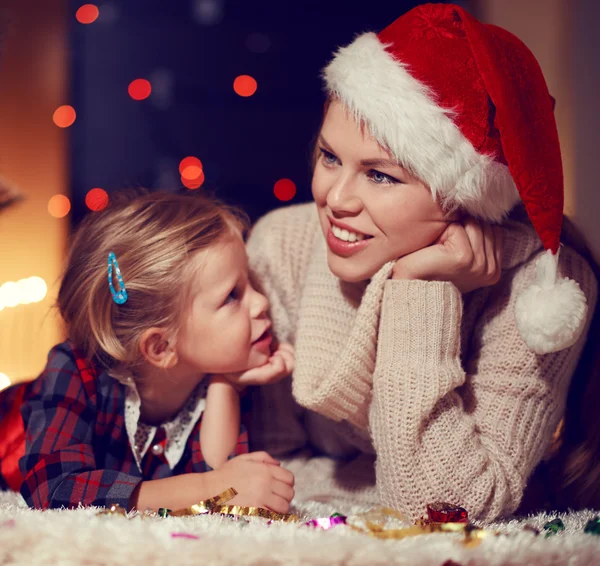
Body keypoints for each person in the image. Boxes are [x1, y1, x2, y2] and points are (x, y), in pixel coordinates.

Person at [244, 3, 598, 521]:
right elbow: (272, 464)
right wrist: (374, 491)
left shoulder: (540, 292)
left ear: (462, 199)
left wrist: (420, 287)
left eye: (381, 175)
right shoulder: (282, 244)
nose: (335, 197)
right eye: (330, 157)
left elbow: (451, 508)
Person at [0, 191, 295, 513]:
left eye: (250, 281)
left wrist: (226, 382)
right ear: (161, 347)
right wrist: (213, 487)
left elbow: (225, 477)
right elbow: (54, 488)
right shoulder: (72, 370)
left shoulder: (204, 368)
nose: (263, 302)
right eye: (231, 296)